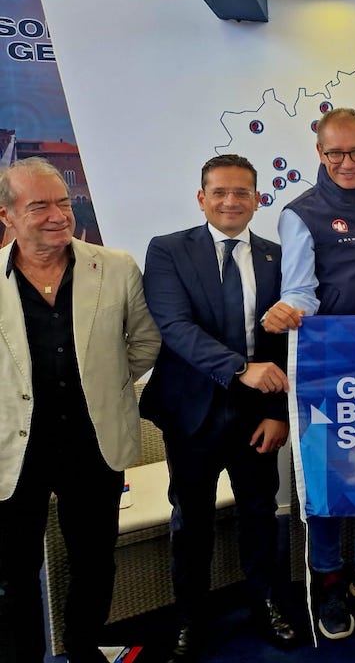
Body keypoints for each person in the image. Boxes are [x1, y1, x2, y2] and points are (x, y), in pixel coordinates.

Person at [0, 158, 161, 663]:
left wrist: (105, 384)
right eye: (39, 206)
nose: (57, 215)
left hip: (94, 442)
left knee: (93, 560)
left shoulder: (115, 267)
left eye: (63, 203)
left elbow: (146, 341)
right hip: (13, 448)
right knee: (12, 570)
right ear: (7, 215)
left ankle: (83, 647)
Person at [140, 154, 297, 661]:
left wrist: (279, 413)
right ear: (201, 198)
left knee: (260, 512)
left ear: (258, 198)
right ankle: (190, 617)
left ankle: (266, 603)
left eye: (242, 192)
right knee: (192, 520)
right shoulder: (168, 250)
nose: (231, 201)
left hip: (257, 415)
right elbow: (174, 327)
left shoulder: (278, 257)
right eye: (220, 192)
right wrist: (239, 367)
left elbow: (285, 343)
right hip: (192, 412)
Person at [261, 107, 355, 640]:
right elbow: (300, 289)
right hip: (329, 365)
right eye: (335, 153)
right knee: (328, 475)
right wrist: (288, 310)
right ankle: (327, 580)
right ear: (319, 153)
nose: (347, 162)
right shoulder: (300, 213)